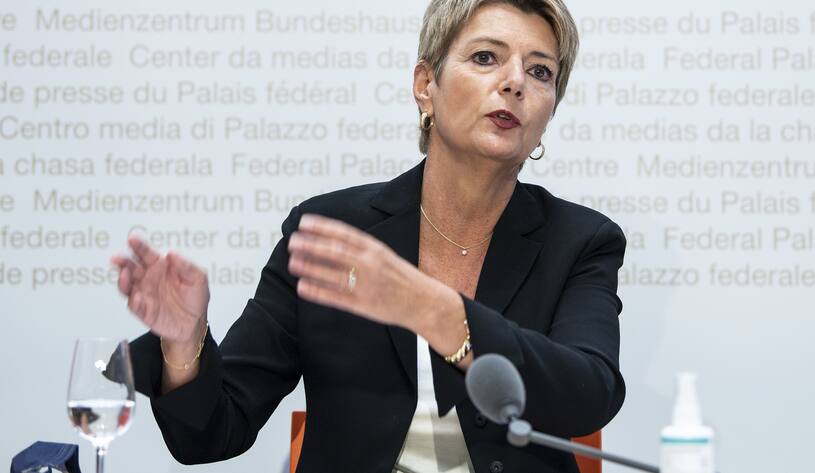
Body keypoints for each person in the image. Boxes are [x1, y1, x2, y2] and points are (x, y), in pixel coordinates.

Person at [111, 1, 626, 472]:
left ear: (550, 111)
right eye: (486, 57)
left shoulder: (580, 241)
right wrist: (184, 347)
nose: (515, 82)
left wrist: (434, 311)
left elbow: (590, 393)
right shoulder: (331, 231)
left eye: (540, 71)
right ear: (426, 85)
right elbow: (213, 433)